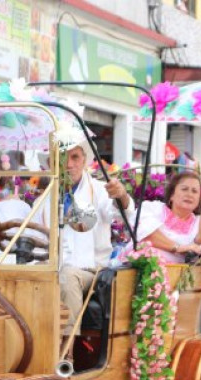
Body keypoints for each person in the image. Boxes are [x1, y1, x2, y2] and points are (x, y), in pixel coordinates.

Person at [50, 131, 133, 336]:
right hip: (51, 268)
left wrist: (121, 195)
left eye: (75, 157)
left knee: (68, 276)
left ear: (84, 160)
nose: (69, 164)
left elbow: (122, 213)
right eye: (63, 157)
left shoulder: (98, 190)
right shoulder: (47, 195)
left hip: (90, 270)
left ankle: (65, 353)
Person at [133, 170, 201, 263]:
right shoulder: (153, 209)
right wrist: (178, 248)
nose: (189, 194)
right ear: (171, 195)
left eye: (194, 191)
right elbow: (147, 234)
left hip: (175, 274)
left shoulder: (198, 222)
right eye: (184, 189)